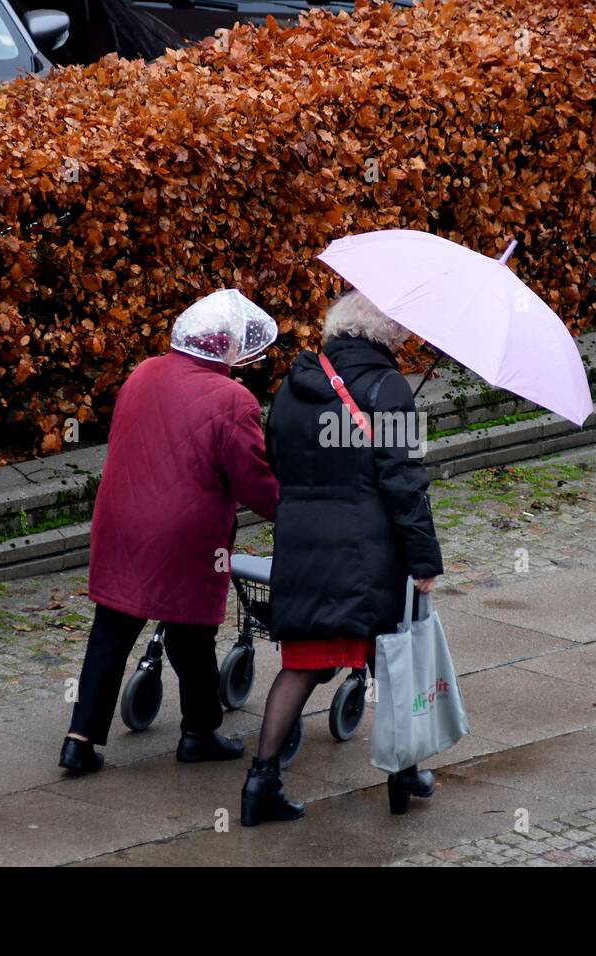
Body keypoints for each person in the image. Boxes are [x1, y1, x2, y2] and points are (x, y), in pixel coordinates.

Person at [240, 290, 444, 825]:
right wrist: (424, 560)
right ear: (387, 335)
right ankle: (404, 773)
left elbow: (276, 457)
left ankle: (260, 781)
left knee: (304, 661)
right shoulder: (388, 386)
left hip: (302, 541)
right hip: (364, 549)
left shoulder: (294, 383)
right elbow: (404, 482)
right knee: (393, 662)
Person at [60, 289, 280, 774]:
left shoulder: (142, 373)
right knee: (192, 633)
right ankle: (199, 732)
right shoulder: (233, 398)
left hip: (121, 519)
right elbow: (253, 480)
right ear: (224, 347)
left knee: (111, 631)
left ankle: (80, 740)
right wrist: (290, 509)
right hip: (184, 535)